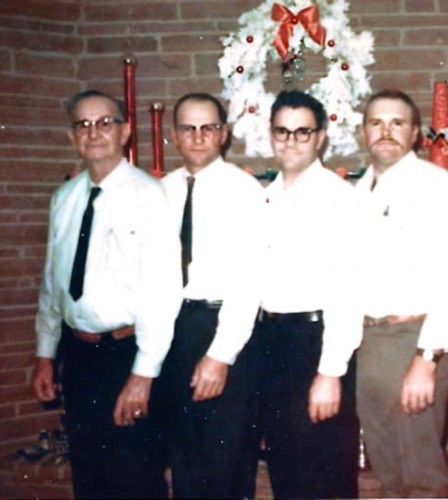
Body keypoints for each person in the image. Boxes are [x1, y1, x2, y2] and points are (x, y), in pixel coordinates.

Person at [31, 89, 182, 499]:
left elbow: (162, 293)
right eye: (83, 124)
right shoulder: (64, 198)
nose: (93, 132)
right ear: (71, 136)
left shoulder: (148, 195)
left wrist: (142, 375)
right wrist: (45, 354)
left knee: (136, 478)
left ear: (125, 132)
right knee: (90, 478)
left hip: (127, 355)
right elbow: (52, 282)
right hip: (78, 357)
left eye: (104, 123)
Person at [355, 89, 448, 498]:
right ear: (363, 132)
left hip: (415, 339)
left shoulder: (436, 186)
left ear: (416, 133)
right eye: (376, 122)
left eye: (397, 122)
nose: (385, 131)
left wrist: (427, 359)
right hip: (369, 341)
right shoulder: (359, 192)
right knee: (389, 469)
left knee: (420, 474)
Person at [252, 89, 361, 499]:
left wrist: (330, 372)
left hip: (315, 343)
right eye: (283, 131)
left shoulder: (338, 199)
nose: (291, 141)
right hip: (271, 342)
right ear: (271, 135)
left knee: (325, 469)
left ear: (320, 137)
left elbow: (348, 291)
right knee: (286, 465)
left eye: (302, 132)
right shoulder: (267, 196)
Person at [160, 92, 265, 499]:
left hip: (224, 328)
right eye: (188, 128)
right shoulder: (161, 191)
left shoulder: (244, 190)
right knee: (184, 456)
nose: (198, 137)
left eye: (208, 127)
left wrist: (220, 355)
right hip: (173, 329)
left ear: (224, 133)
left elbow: (250, 279)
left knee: (226, 462)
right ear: (174, 135)